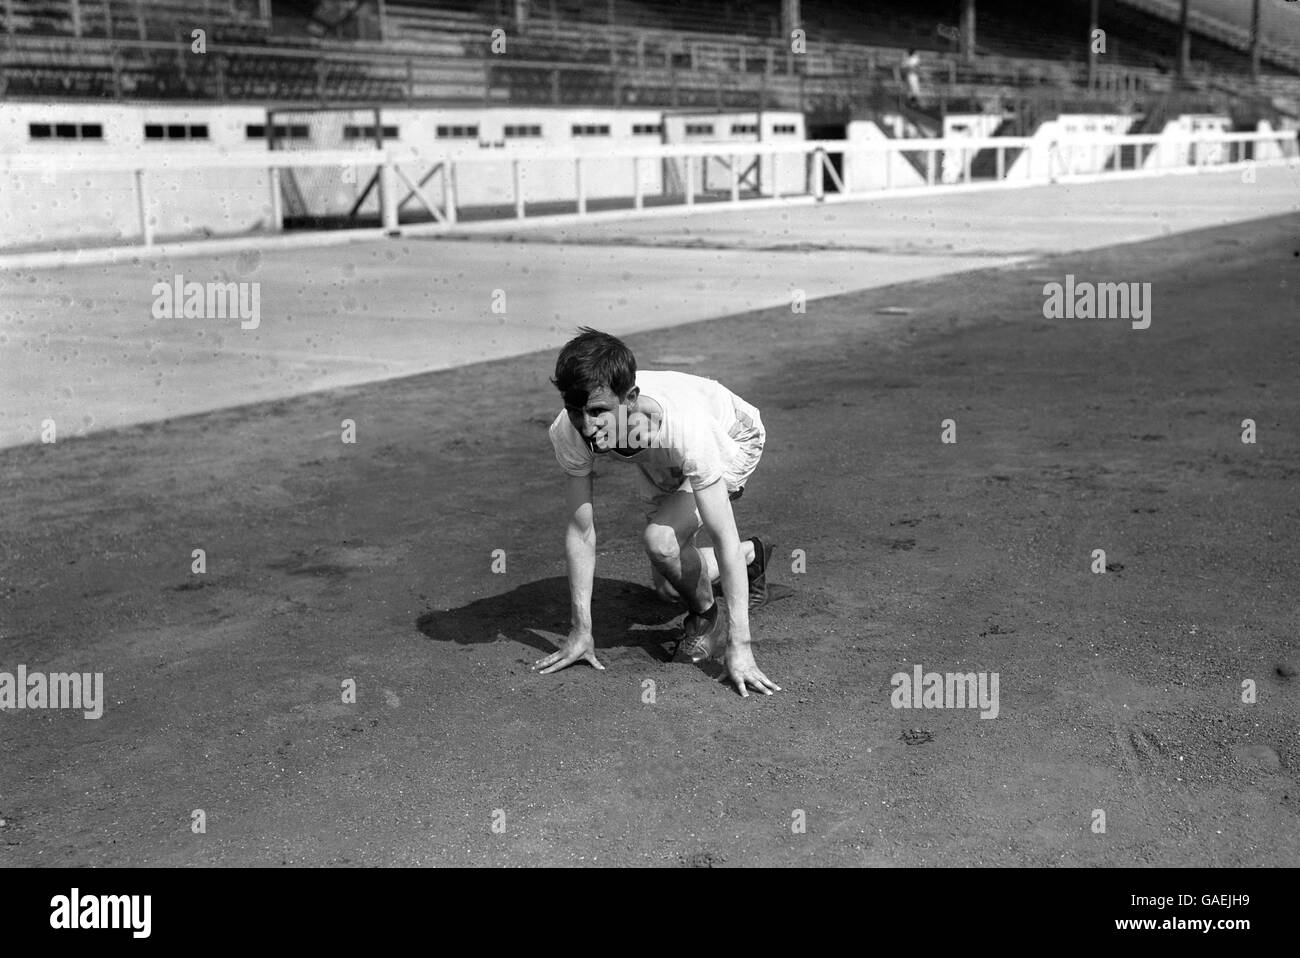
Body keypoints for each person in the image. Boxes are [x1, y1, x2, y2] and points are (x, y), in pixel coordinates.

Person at [532, 328, 780, 698]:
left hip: (731, 435)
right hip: (658, 453)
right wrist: (581, 630)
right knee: (668, 586)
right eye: (575, 410)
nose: (586, 425)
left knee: (661, 541)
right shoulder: (570, 430)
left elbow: (721, 533)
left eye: (598, 412)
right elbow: (581, 530)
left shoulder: (689, 428)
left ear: (629, 398)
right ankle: (753, 557)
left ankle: (707, 621)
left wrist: (741, 646)